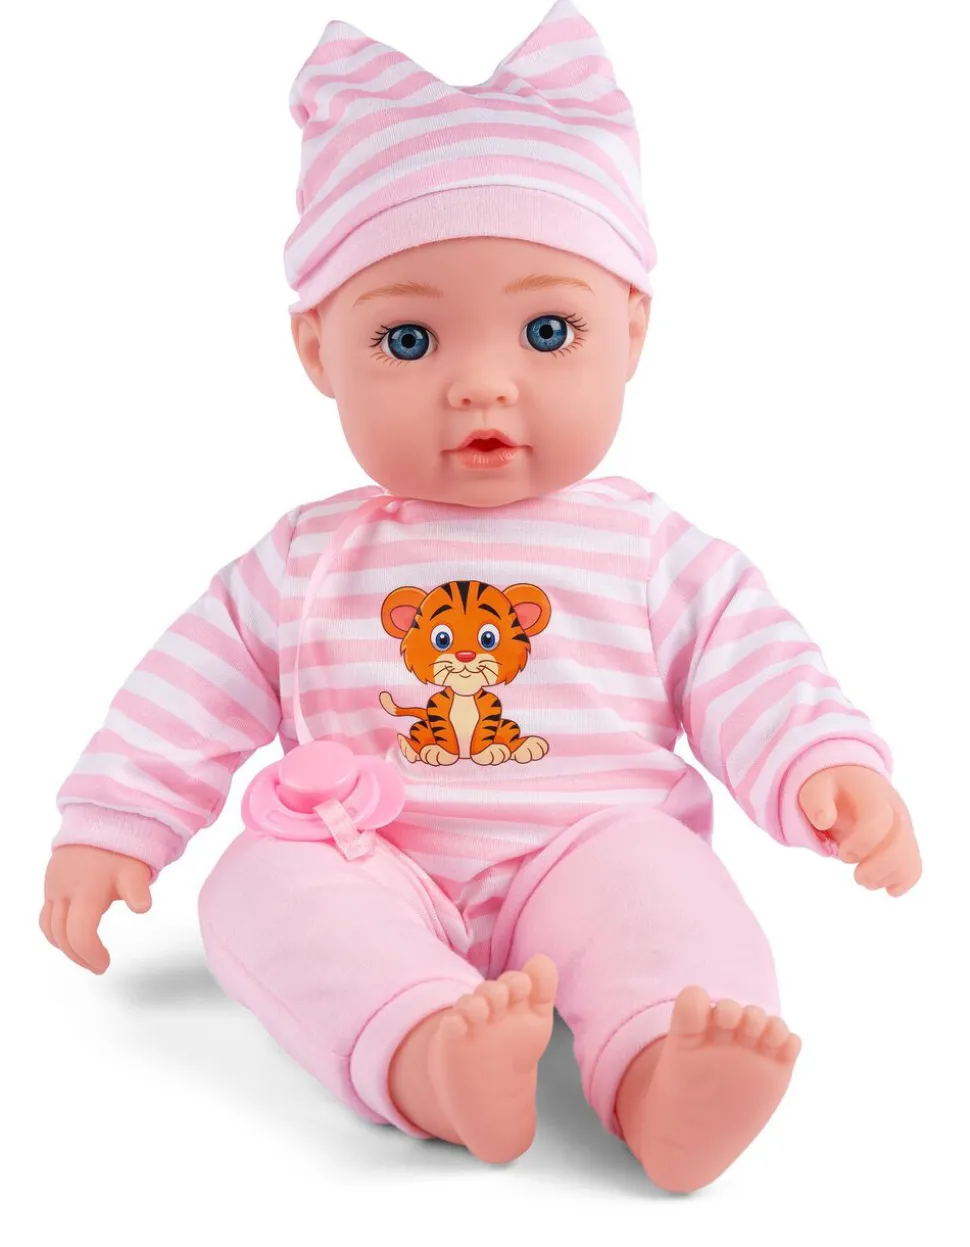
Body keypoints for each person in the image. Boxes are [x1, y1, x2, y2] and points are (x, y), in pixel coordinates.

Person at [40, 0, 921, 1193]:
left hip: (592, 844)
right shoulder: (305, 560)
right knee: (258, 885)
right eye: (409, 342)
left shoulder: (648, 549)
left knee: (669, 897)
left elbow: (749, 658)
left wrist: (821, 759)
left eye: (547, 329)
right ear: (318, 351)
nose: (481, 384)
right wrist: (113, 822)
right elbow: (188, 689)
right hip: (367, 856)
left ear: (631, 331)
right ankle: (426, 1050)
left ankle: (666, 1069)